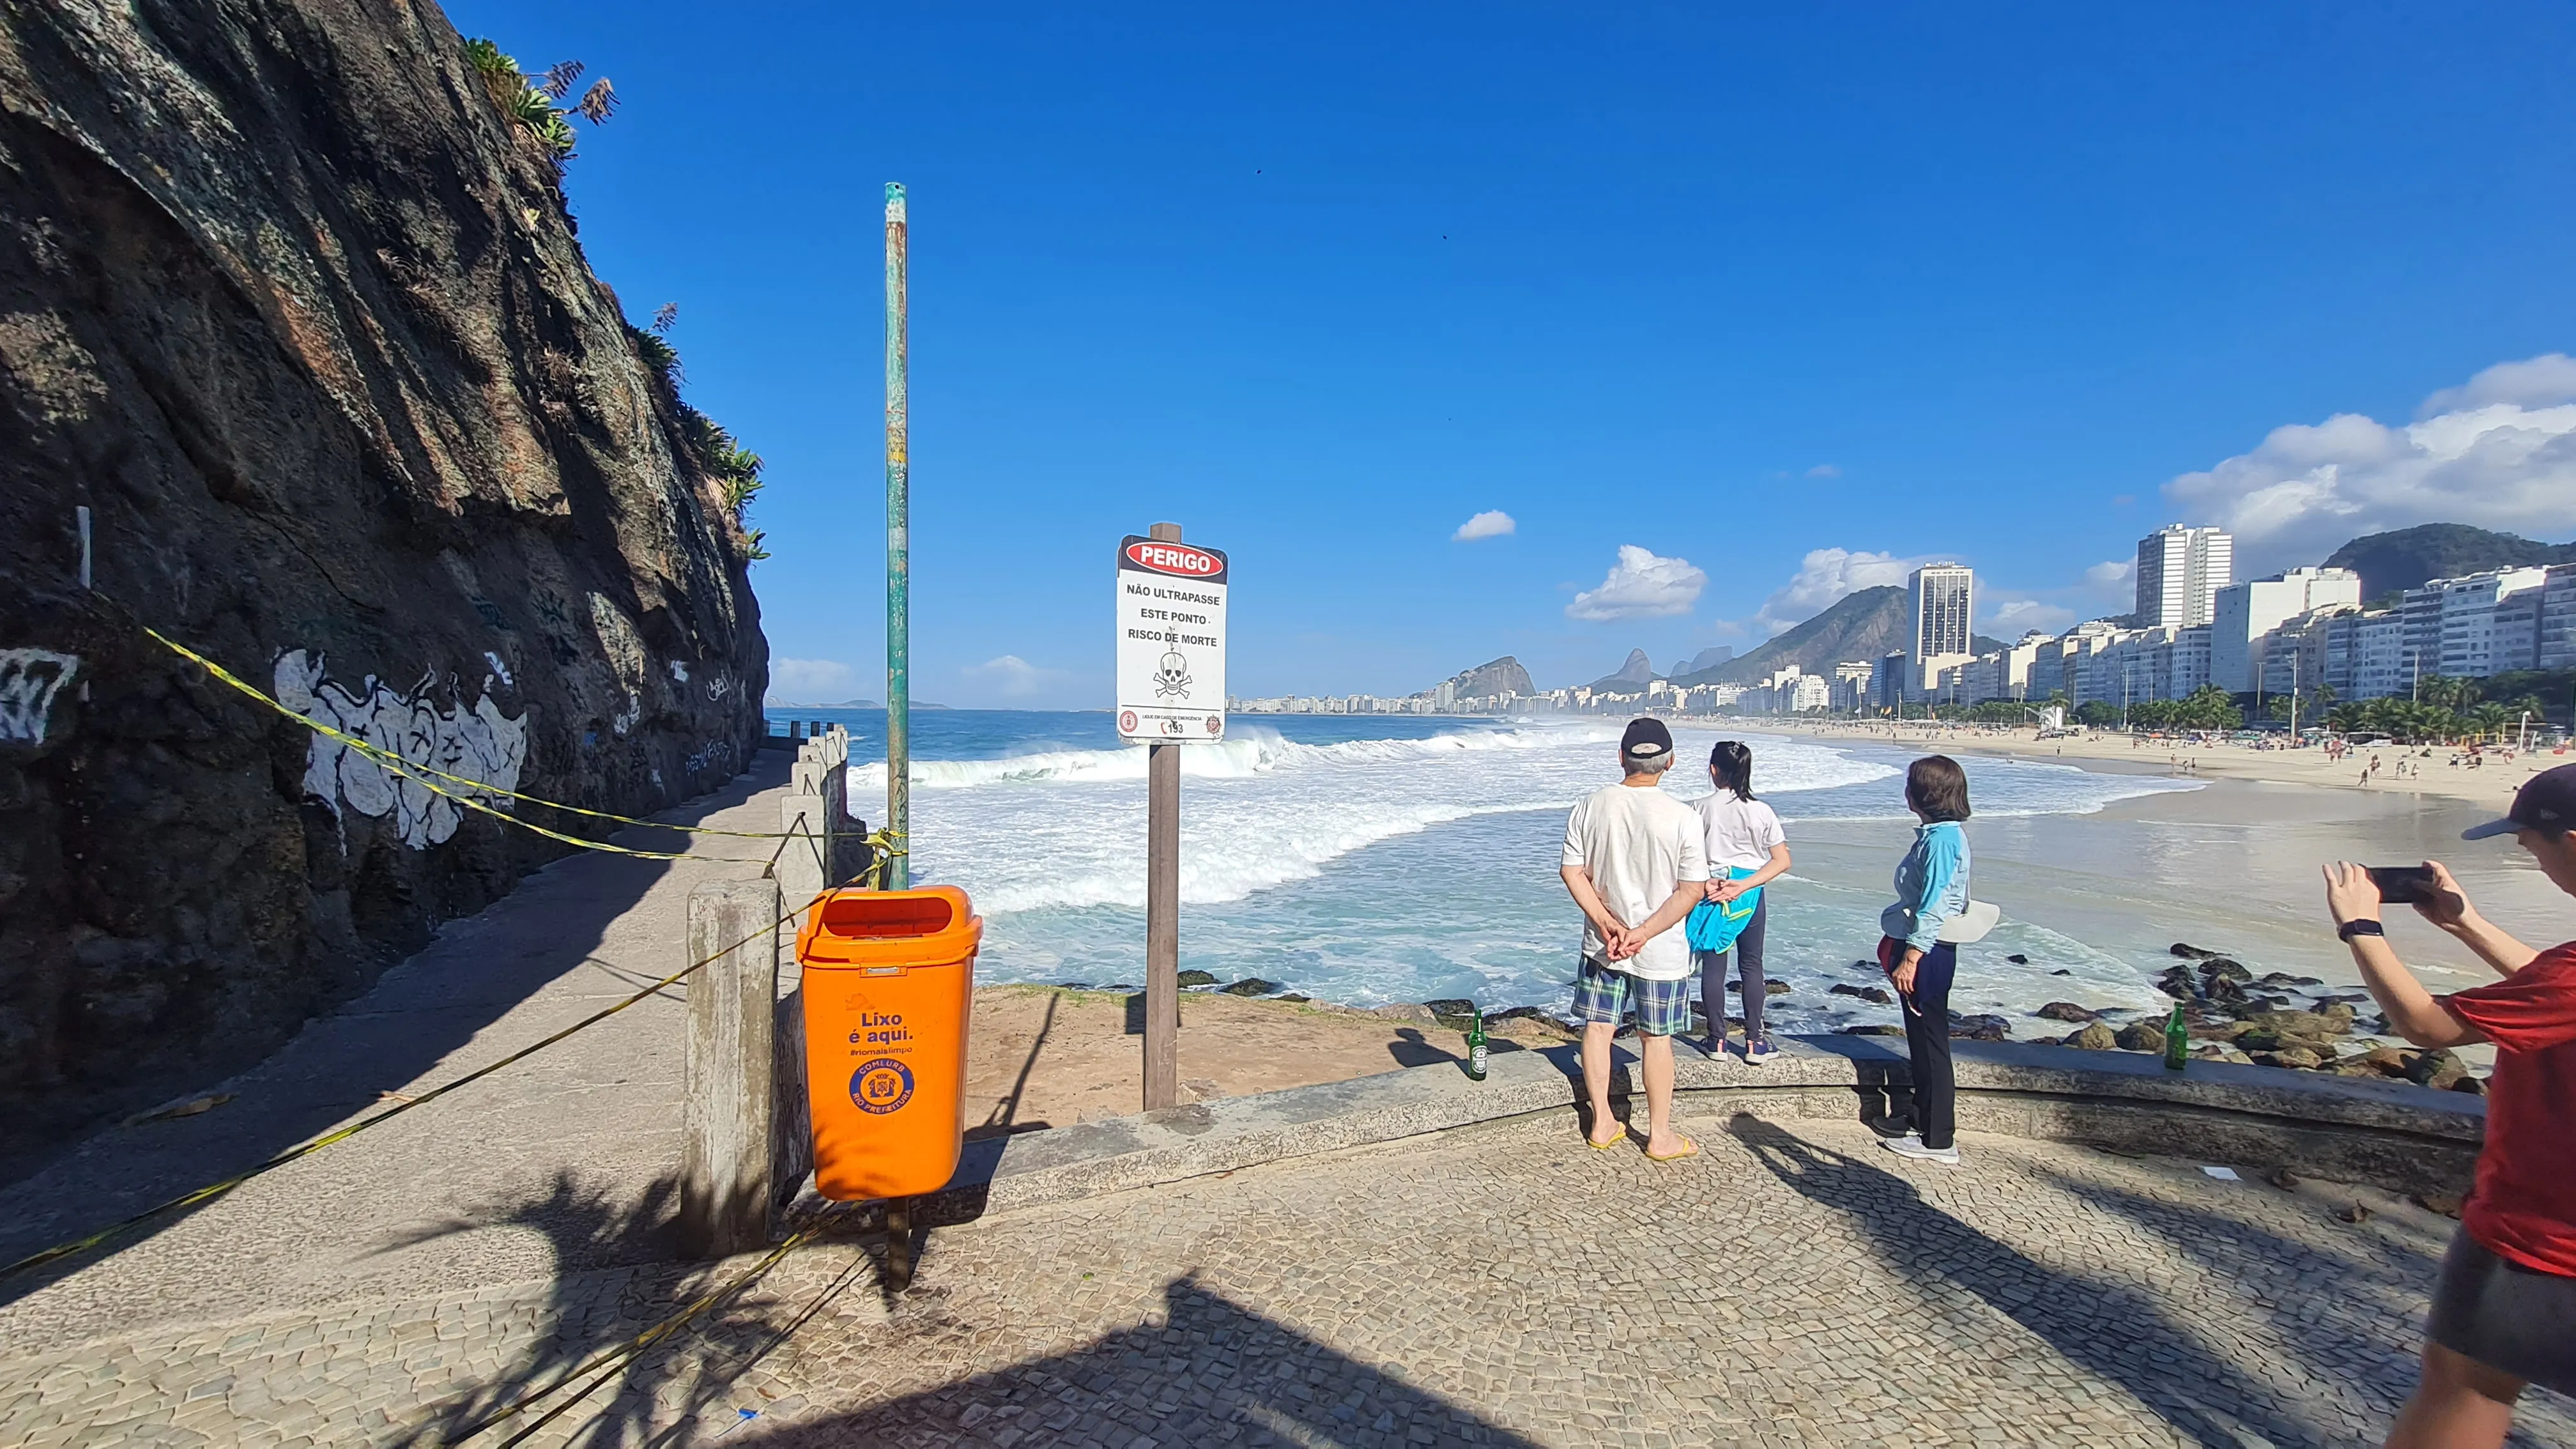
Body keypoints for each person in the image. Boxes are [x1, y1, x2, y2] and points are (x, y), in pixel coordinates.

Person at [2323, 762, 2576, 1449]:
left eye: (2531, 842)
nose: (2526, 853)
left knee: (2469, 1387)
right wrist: (2467, 928)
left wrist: (2361, 928)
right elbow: (2549, 992)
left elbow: (2428, 1028)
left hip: (2542, 1239)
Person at [1560, 717, 1710, 1161]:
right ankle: (1659, 1135)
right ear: (1671, 763)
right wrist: (1642, 933)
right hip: (1659, 949)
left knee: (1599, 1029)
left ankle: (1603, 1121)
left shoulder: (1591, 805)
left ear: (1621, 758)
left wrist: (1607, 923)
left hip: (1603, 946)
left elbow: (1572, 871)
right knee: (1656, 1039)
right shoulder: (1684, 816)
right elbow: (1692, 890)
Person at [1877, 755, 1973, 1166]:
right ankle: (1921, 1117)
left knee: (1931, 1041)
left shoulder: (1941, 841)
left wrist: (1911, 957)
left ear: (1922, 794)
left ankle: (1938, 1139)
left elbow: (1934, 905)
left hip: (1929, 952)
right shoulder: (1941, 836)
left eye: (1910, 785)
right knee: (1919, 1037)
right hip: (1929, 947)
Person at [1691, 740, 1793, 1063]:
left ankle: (1717, 1040)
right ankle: (1754, 1043)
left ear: (1713, 770)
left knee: (1714, 965)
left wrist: (1714, 885)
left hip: (1712, 890)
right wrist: (1744, 886)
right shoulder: (1761, 810)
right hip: (1749, 893)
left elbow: (1687, 857)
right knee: (1751, 965)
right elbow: (1781, 861)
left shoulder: (1699, 807)